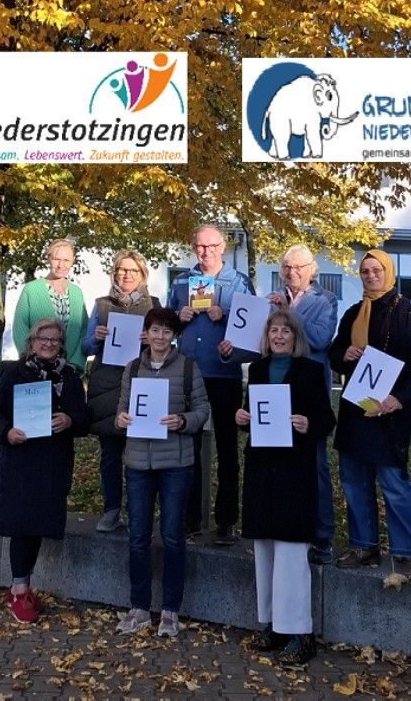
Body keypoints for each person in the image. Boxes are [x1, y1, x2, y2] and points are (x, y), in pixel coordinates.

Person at [236, 310, 335, 669]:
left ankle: (300, 633)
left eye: (285, 331)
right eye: (274, 330)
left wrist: (309, 423)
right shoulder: (258, 369)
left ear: (295, 337)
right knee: (264, 548)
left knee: (291, 553)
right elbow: (253, 414)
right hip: (263, 469)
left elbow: (326, 419)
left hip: (295, 470)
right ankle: (273, 625)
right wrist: (242, 419)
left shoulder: (311, 370)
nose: (279, 336)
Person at [329, 249, 411, 585]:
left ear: (388, 272)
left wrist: (398, 400)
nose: (371, 276)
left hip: (389, 413)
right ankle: (364, 546)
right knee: (354, 480)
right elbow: (334, 353)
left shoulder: (408, 315)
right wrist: (344, 354)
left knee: (394, 484)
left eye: (377, 270)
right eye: (365, 271)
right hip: (356, 409)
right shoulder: (354, 313)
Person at [0, 318, 90, 623]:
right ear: (31, 343)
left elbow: (84, 418)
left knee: (38, 525)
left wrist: (70, 420)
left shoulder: (70, 377)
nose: (48, 344)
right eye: (43, 339)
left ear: (61, 345)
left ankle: (21, 585)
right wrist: (7, 432)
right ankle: (20, 591)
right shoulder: (12, 373)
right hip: (20, 462)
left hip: (52, 464)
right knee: (21, 525)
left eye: (55, 340)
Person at [114, 307, 210, 638]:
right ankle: (139, 607)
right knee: (138, 537)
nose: (159, 336)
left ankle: (170, 610)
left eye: (166, 331)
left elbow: (203, 410)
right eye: (154, 330)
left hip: (176, 464)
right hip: (138, 463)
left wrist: (182, 421)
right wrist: (121, 419)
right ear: (146, 333)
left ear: (174, 335)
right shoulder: (132, 367)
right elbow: (121, 409)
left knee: (172, 537)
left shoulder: (188, 367)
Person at [168, 225, 255, 545]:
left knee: (227, 449)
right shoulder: (181, 281)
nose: (205, 252)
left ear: (222, 247)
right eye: (200, 246)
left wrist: (226, 313)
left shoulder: (239, 282)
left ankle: (227, 521)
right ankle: (190, 519)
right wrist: (178, 316)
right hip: (189, 373)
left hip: (224, 374)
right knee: (187, 448)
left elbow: (252, 327)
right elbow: (165, 326)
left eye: (211, 246)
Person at [267, 244, 338, 565]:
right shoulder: (272, 299)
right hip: (276, 386)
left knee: (315, 463)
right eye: (286, 267)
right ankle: (286, 527)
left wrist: (288, 313)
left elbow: (321, 339)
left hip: (310, 391)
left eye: (298, 267)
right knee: (279, 462)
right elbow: (265, 339)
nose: (292, 272)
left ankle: (322, 535)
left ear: (312, 269)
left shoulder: (326, 300)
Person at [82, 250, 160, 533]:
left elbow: (169, 345)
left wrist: (152, 339)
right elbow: (85, 346)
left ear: (142, 275)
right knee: (110, 454)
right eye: (121, 270)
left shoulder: (154, 306)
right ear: (114, 273)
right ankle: (112, 510)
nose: (126, 275)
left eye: (132, 271)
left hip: (143, 384)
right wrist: (96, 338)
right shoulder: (101, 305)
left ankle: (139, 512)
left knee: (141, 455)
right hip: (107, 386)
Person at [12, 239, 89, 373]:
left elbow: (84, 330)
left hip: (69, 370)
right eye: (56, 259)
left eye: (66, 260)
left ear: (72, 261)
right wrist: (32, 361)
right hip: (36, 370)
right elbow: (20, 328)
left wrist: (75, 364)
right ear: (49, 259)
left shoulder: (77, 293)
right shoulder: (31, 290)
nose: (61, 265)